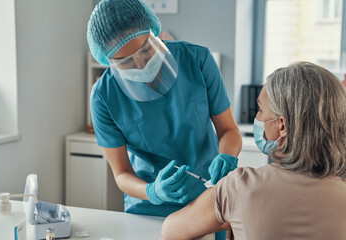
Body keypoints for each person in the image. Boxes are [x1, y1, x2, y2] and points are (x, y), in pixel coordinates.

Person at [87, 0, 242, 238]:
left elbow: (229, 130)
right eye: (126, 62)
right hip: (148, 207)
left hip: (206, 198)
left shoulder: (197, 60)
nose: (142, 65)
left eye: (146, 50)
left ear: (153, 31)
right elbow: (121, 174)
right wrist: (152, 191)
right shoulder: (103, 96)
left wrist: (227, 156)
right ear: (109, 61)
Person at [161, 62, 346, 240]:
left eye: (260, 109)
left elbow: (171, 230)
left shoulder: (239, 186)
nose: (257, 117)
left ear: (282, 125)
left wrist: (226, 213)